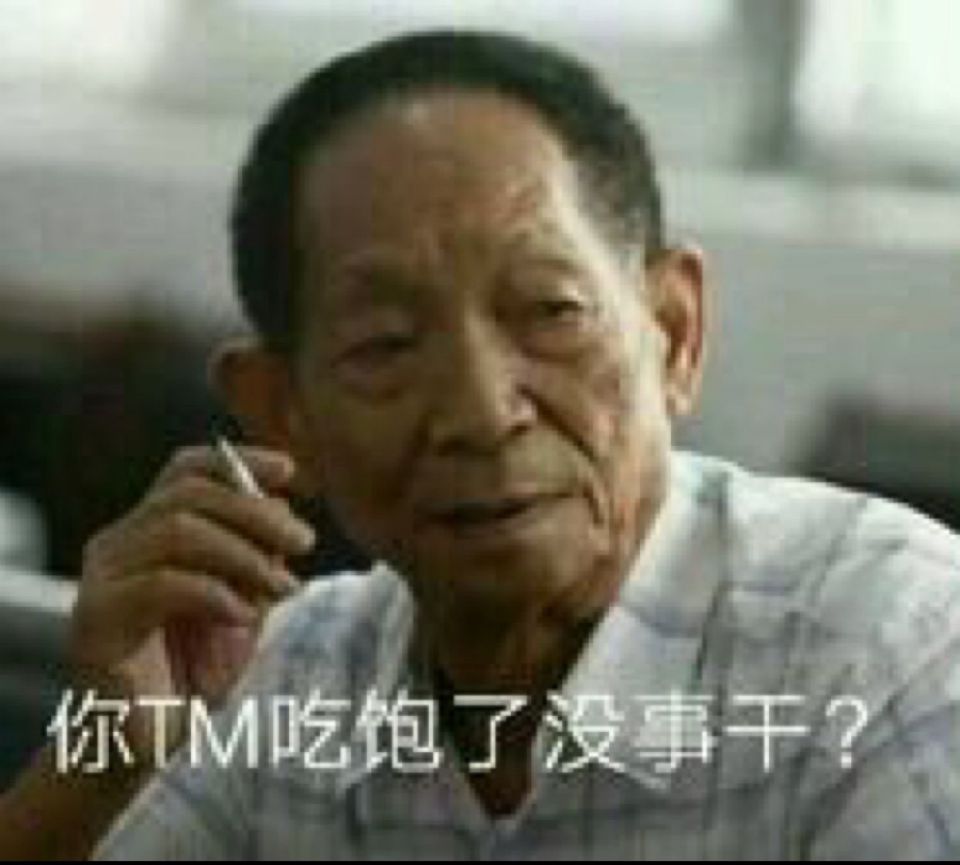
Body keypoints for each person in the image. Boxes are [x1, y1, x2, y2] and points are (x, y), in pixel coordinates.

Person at [3, 29, 960, 860]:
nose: (479, 410)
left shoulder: (883, 644)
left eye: (549, 311)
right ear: (285, 414)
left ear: (674, 332)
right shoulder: (282, 678)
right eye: (386, 344)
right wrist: (100, 756)